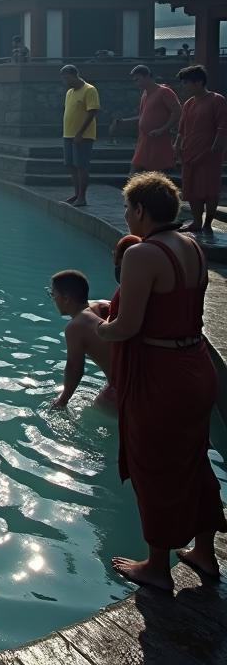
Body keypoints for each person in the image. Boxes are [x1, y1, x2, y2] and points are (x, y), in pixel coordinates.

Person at [97, 172, 226, 589]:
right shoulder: (193, 246)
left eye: (126, 209)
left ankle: (157, 566)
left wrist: (98, 327)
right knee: (193, 459)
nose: (126, 217)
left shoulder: (142, 255)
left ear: (140, 209)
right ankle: (204, 553)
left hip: (161, 374)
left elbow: (127, 326)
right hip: (196, 365)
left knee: (152, 464)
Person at [47, 270, 114, 410]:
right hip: (141, 376)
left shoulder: (75, 326)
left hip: (123, 387)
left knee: (97, 412)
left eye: (53, 294)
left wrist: (62, 401)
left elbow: (74, 369)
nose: (53, 299)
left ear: (66, 298)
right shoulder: (102, 305)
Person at [175, 64, 227, 233]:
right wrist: (177, 147)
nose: (183, 87)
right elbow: (181, 130)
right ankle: (197, 222)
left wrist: (214, 150)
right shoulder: (189, 103)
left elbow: (222, 128)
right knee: (191, 189)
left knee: (209, 189)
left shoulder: (216, 100)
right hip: (189, 153)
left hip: (209, 154)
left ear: (198, 82)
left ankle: (207, 224)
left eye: (186, 83)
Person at [109, 65, 181, 174]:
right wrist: (123, 121)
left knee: (155, 174)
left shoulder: (164, 91)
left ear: (147, 76)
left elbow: (178, 111)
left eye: (137, 79)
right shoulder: (145, 94)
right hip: (144, 140)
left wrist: (162, 129)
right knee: (135, 171)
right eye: (134, 80)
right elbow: (143, 117)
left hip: (158, 139)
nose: (136, 83)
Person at [61, 64, 100, 208]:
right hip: (68, 134)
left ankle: (82, 197)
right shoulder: (69, 92)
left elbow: (92, 112)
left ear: (74, 75)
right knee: (70, 165)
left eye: (66, 78)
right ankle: (76, 194)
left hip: (83, 136)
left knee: (81, 166)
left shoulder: (89, 90)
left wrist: (80, 133)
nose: (65, 81)